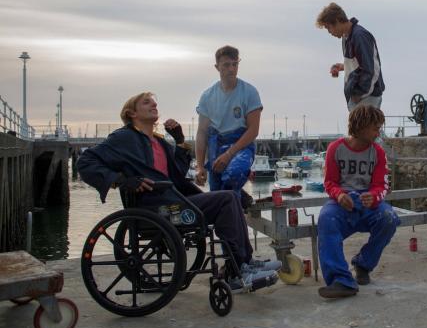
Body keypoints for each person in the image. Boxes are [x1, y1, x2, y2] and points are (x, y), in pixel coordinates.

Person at [77, 92, 280, 290]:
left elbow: (177, 175)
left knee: (233, 198)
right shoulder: (123, 138)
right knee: (226, 199)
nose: (153, 105)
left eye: (154, 102)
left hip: (171, 202)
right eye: (146, 103)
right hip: (154, 209)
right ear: (132, 114)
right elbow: (85, 162)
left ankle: (245, 262)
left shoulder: (158, 142)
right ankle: (238, 272)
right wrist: (121, 180)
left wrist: (180, 141)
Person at [317, 105, 400, 298]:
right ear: (361, 127)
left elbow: (382, 185)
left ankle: (363, 264)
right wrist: (338, 195)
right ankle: (341, 280)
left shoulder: (378, 152)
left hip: (368, 200)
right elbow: (329, 182)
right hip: (341, 200)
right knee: (326, 220)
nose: (378, 132)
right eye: (375, 128)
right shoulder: (335, 149)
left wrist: (375, 196)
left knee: (389, 218)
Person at [195, 45, 261, 208]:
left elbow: (253, 130)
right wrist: (200, 166)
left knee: (234, 173)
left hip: (241, 144)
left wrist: (229, 154)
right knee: (216, 195)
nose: (231, 69)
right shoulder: (207, 96)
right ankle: (238, 204)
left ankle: (236, 214)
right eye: (226, 65)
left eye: (235, 64)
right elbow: (202, 132)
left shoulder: (250, 92)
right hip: (215, 144)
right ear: (217, 67)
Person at [316, 2, 385, 112]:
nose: (329, 32)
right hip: (361, 98)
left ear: (337, 21)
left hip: (367, 98)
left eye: (329, 28)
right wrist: (344, 66)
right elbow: (361, 63)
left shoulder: (359, 36)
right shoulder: (347, 37)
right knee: (361, 129)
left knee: (365, 129)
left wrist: (359, 93)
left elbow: (371, 69)